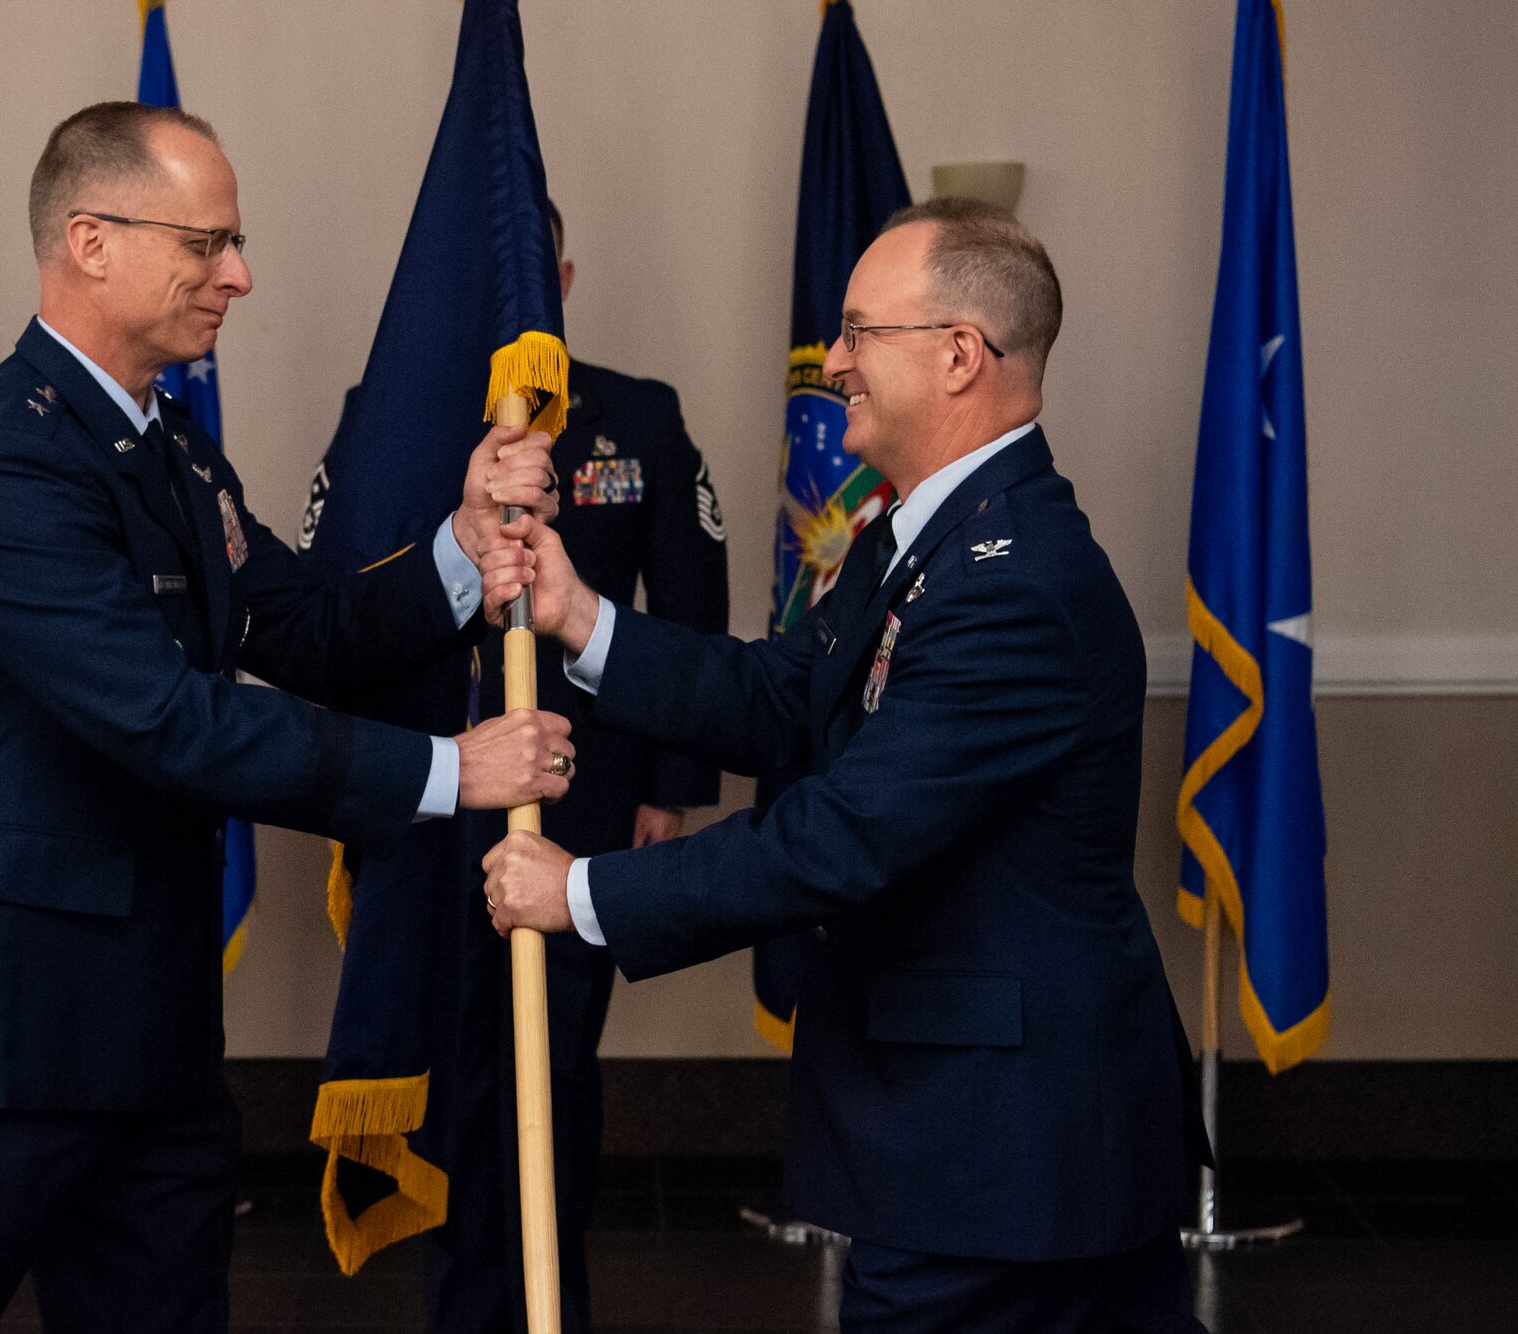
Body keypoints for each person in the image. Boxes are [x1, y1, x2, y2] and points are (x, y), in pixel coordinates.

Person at [0, 102, 576, 1334]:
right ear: (90, 241)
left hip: (153, 1034)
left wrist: (464, 551)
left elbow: (304, 625)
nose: (239, 275)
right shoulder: (6, 465)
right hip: (8, 1035)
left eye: (234, 243)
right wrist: (445, 769)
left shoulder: (169, 455)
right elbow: (167, 721)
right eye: (206, 244)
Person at [484, 198, 1211, 1333]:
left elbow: (842, 833)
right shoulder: (919, 533)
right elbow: (787, 694)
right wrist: (581, 618)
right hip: (967, 1139)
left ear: (959, 355)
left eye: (859, 333)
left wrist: (575, 892)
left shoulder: (1010, 582)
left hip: (1006, 1153)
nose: (831, 363)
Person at [422, 200, 730, 1333]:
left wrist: (668, 782)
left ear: (561, 277)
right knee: (449, 1058)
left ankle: (553, 1300)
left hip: (581, 792)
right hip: (435, 784)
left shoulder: (635, 417)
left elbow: (690, 605)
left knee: (554, 1058)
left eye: (530, 278)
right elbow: (341, 589)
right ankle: (462, 1304)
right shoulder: (401, 406)